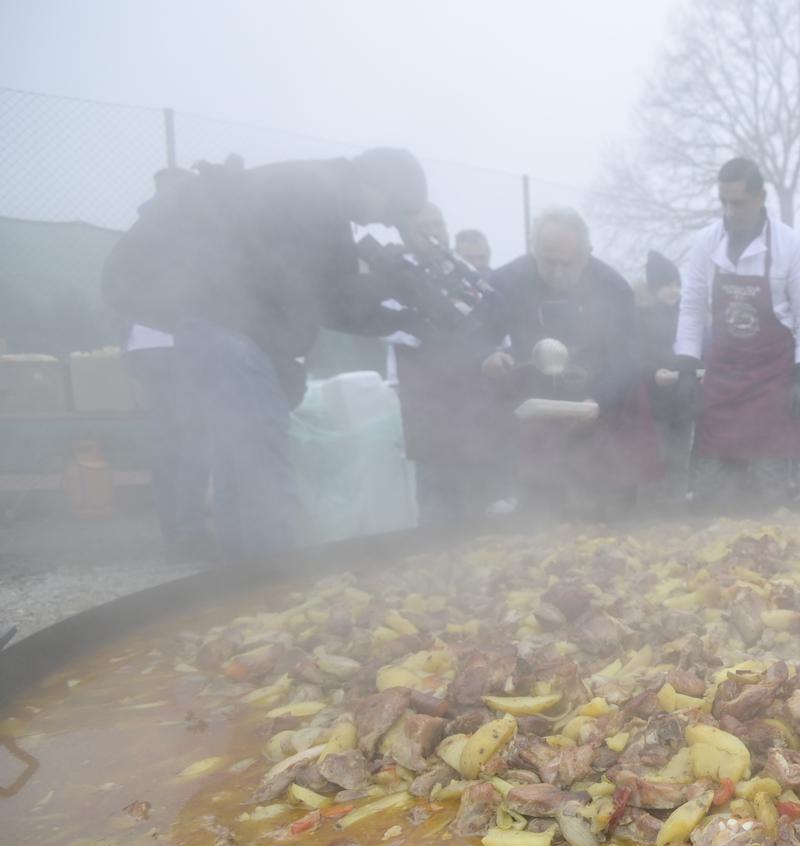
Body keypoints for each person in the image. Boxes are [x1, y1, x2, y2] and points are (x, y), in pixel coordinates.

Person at [102, 148, 429, 561]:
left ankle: (240, 584)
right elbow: (336, 296)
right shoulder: (321, 195)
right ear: (380, 184)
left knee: (237, 465)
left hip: (208, 333)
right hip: (230, 335)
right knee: (262, 470)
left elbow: (320, 299)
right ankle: (272, 586)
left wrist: (397, 312)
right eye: (390, 209)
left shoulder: (309, 184)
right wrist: (393, 287)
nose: (380, 222)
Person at [480, 208, 657, 513]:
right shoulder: (506, 282)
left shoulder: (613, 287)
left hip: (603, 415)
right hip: (537, 418)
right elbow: (476, 333)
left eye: (568, 263)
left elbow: (627, 357)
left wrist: (598, 399)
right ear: (534, 251)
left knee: (610, 519)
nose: (559, 272)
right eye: (549, 262)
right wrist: (488, 355)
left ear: (587, 254)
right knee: (541, 514)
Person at [674, 158, 800, 510]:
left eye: (738, 202)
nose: (730, 210)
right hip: (723, 374)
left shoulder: (788, 244)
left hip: (771, 377)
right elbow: (693, 307)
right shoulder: (705, 242)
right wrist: (685, 367)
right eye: (723, 201)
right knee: (711, 485)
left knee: (766, 485)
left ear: (761, 197)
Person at [390, 202, 504, 525]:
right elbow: (406, 338)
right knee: (438, 515)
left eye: (438, 224)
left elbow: (498, 338)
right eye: (424, 225)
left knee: (483, 512)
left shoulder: (473, 285)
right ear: (407, 232)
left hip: (479, 422)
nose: (433, 231)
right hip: (432, 427)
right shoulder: (399, 279)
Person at [124, 322, 210, 562]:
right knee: (193, 444)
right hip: (179, 345)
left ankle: (174, 538)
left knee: (166, 448)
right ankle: (190, 537)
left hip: (143, 347)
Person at [638, 250, 697, 504]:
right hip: (655, 405)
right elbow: (635, 358)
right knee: (655, 458)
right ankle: (649, 511)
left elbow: (696, 352)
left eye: (676, 284)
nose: (674, 290)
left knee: (679, 460)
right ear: (654, 288)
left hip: (683, 404)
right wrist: (653, 374)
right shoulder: (641, 319)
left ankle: (675, 511)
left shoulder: (689, 319)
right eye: (666, 285)